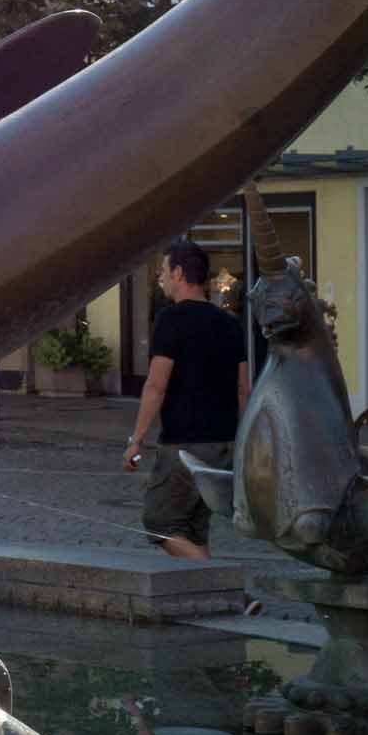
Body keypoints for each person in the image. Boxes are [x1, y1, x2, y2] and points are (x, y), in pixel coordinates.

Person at [122, 237, 249, 561]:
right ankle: (219, 600)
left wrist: (136, 440)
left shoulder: (170, 319)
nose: (160, 278)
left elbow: (156, 386)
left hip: (184, 444)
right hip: (222, 441)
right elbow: (244, 389)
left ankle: (233, 591)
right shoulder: (230, 323)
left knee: (158, 522)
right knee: (193, 529)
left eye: (163, 271)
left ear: (178, 273)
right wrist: (244, 441)